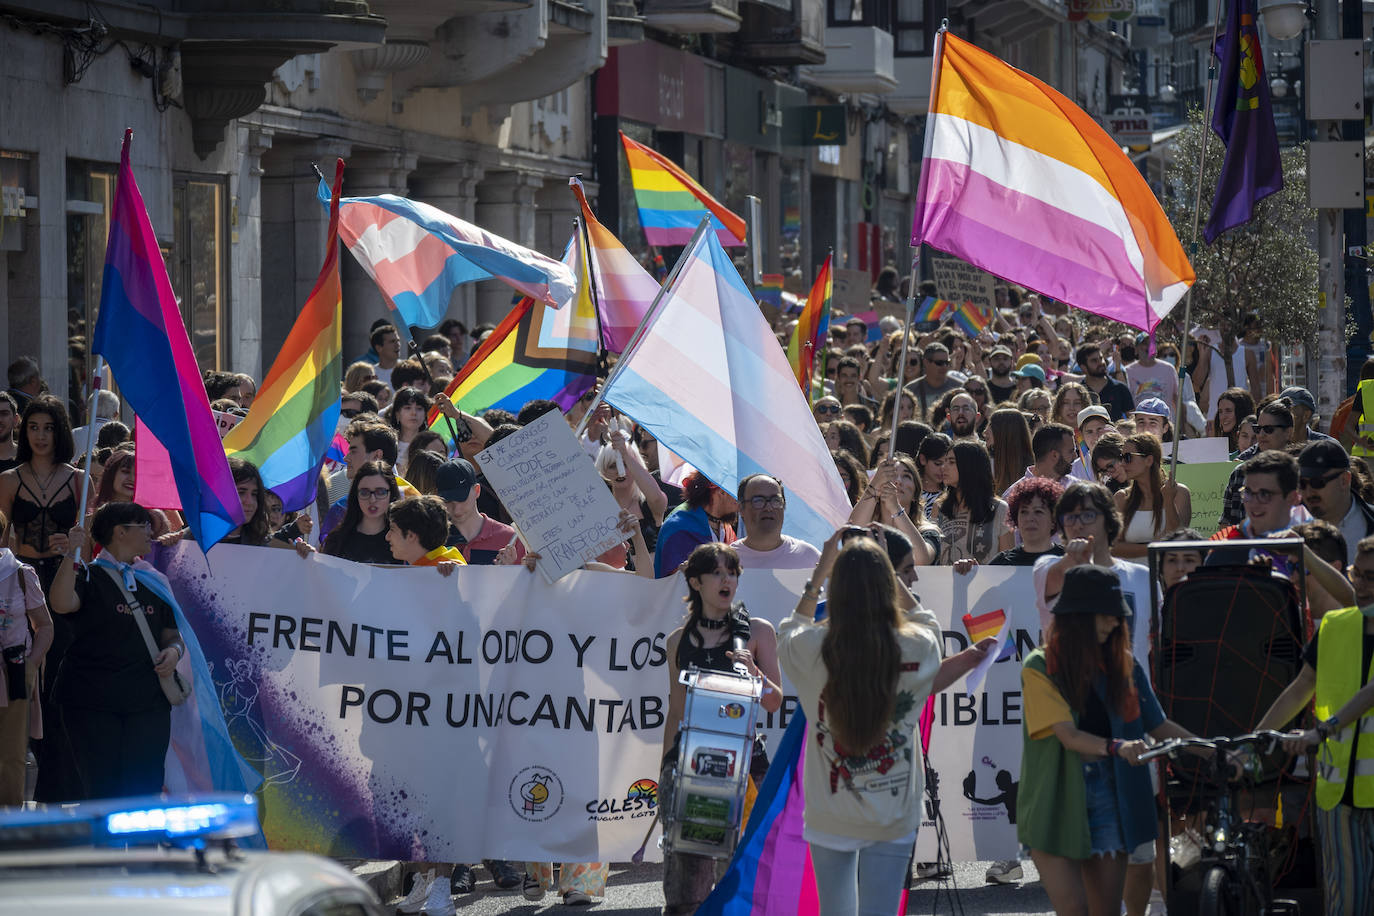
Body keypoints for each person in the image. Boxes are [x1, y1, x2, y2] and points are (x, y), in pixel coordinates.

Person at [779, 528, 993, 913]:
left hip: (832, 813)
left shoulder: (808, 648)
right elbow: (925, 620)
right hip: (893, 814)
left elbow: (791, 628)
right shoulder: (918, 645)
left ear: (836, 589)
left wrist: (825, 565)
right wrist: (885, 570)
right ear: (889, 584)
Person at [1020, 565, 1201, 916]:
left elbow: (1159, 725)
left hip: (1112, 797)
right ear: (1077, 616)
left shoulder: (1126, 666)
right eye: (1105, 615)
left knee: (1105, 912)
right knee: (1074, 909)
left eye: (1117, 616)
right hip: (1055, 799)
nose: (1114, 623)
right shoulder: (1039, 666)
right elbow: (1068, 736)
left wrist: (1215, 750)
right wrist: (1117, 747)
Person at [1254, 534, 1374, 915]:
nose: (1361, 586)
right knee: (1346, 904)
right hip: (1339, 798)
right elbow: (1302, 686)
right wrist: (1255, 737)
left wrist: (1321, 730)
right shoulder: (1336, 625)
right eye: (1359, 575)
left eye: (1372, 578)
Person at [661, 543, 783, 915]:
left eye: (731, 572)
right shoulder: (678, 642)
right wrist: (665, 770)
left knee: (746, 871)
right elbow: (677, 710)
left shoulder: (758, 632)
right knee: (689, 879)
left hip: (747, 767)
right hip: (695, 767)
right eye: (717, 573)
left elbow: (774, 700)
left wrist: (755, 671)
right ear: (695, 582)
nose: (726, 579)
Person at [50, 502, 184, 799]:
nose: (151, 532)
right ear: (120, 532)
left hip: (147, 704)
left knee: (145, 791)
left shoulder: (155, 581)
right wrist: (71, 554)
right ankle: (105, 849)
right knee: (101, 791)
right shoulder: (87, 576)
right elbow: (60, 603)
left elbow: (173, 635)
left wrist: (173, 653)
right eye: (144, 526)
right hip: (92, 703)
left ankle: (142, 848)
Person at [0, 395, 86, 802]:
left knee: (60, 684)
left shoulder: (79, 480)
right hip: (23, 583)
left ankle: (59, 786)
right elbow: (1, 537)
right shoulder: (9, 480)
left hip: (64, 581)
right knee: (29, 681)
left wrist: (72, 544)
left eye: (48, 428)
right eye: (33, 427)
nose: (39, 436)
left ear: (60, 432)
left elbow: (91, 538)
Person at [0, 521, 52, 805]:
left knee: (11, 756)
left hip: (13, 674)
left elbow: (44, 625)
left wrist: (31, 664)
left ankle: (7, 831)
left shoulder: (21, 574)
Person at [849, 456, 942, 566]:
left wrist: (895, 508)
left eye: (906, 476)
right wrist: (874, 485)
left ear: (915, 495)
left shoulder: (927, 531)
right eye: (892, 475)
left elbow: (921, 560)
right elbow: (851, 535)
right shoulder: (869, 529)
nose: (898, 481)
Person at [1219, 400, 1298, 528]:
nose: (1261, 435)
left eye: (1268, 429)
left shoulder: (1299, 474)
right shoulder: (1240, 473)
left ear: (1288, 432)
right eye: (1258, 429)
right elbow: (1225, 523)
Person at [1112, 434, 1190, 560]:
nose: (1122, 463)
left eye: (1128, 457)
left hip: (1168, 576)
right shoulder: (1121, 498)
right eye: (1121, 457)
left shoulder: (1179, 493)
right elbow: (1113, 547)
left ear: (1148, 460)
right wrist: (1154, 548)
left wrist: (1169, 501)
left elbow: (1177, 539)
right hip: (1133, 576)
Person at [1297, 439, 1374, 565]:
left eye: (1317, 483)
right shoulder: (1289, 526)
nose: (1309, 492)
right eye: (1302, 483)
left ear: (1344, 480)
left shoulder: (1370, 521)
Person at [936, 441, 1010, 564]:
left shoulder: (1000, 509)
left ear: (969, 466)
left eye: (951, 462)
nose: (943, 467)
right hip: (945, 582)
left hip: (987, 582)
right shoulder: (939, 507)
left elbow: (1008, 562)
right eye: (944, 461)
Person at [317, 461, 405, 564]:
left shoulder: (404, 541)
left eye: (380, 492)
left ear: (392, 494)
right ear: (356, 495)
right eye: (364, 492)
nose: (372, 499)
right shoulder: (337, 540)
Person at [654, 471, 738, 577]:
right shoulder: (678, 527)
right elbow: (674, 582)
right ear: (722, 491)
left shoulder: (727, 529)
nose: (741, 499)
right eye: (737, 492)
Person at [730, 474, 821, 570]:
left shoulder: (809, 557)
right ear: (740, 509)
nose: (768, 508)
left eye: (776, 500)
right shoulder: (727, 561)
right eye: (758, 501)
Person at [991, 477, 1065, 567]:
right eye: (1024, 512)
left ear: (1054, 520)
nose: (1030, 518)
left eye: (1038, 511)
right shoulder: (1002, 563)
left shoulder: (1068, 560)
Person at [1076, 343, 1135, 421]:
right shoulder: (1078, 392)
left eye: (1101, 358)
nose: (1101, 363)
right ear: (1083, 367)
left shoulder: (1120, 388)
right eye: (1094, 361)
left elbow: (1132, 420)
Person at [905, 343, 961, 421]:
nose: (944, 366)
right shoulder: (911, 390)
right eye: (939, 363)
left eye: (947, 362)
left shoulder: (959, 388)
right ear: (926, 362)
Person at [987, 408, 1034, 496]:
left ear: (1007, 432)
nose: (985, 432)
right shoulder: (986, 464)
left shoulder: (1032, 470)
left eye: (991, 425)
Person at [387, 386, 433, 470]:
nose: (414, 413)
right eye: (407, 408)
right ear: (397, 414)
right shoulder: (388, 443)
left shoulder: (432, 443)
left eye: (419, 409)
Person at [915, 432, 953, 519]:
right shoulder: (911, 491)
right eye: (938, 463)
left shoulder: (952, 496)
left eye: (949, 463)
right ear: (923, 459)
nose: (943, 469)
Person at [1211, 388, 1256, 454]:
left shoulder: (1255, 443)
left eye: (1228, 411)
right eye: (1220, 411)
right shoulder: (1219, 448)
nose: (1223, 417)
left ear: (1241, 412)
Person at [368, 324, 403, 388]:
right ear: (379, 348)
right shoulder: (371, 374)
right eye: (392, 342)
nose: (397, 345)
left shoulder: (408, 369)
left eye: (398, 340)